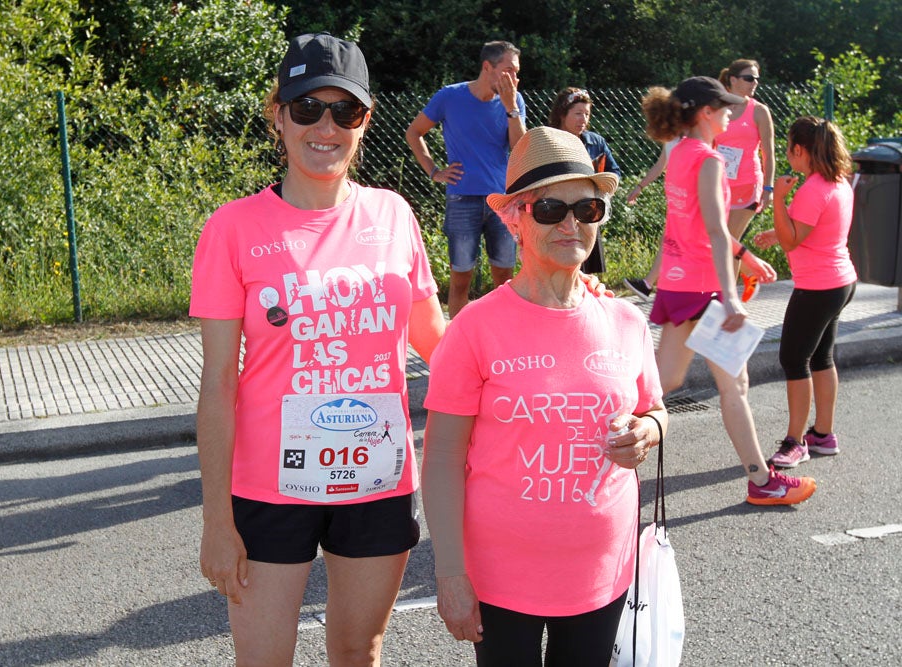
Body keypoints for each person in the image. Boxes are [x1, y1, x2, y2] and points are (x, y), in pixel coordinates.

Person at [189, 33, 448, 666]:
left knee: (359, 652)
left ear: (366, 119)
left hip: (376, 481)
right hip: (270, 489)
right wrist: (216, 522)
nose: (325, 126)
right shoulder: (233, 228)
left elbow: (441, 348)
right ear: (278, 114)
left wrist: (547, 303)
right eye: (307, 108)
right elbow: (218, 383)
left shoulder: (393, 215)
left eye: (345, 111)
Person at [421, 126, 668, 666]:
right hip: (500, 575)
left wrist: (646, 432)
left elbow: (656, 409)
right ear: (515, 217)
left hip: (602, 571)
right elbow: (440, 459)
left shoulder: (626, 320)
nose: (571, 223)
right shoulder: (475, 327)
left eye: (587, 208)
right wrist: (450, 573)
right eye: (551, 207)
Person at [641, 76, 816, 506]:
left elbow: (694, 225)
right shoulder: (710, 160)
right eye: (724, 108)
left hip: (680, 285)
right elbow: (717, 233)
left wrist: (747, 256)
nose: (731, 114)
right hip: (705, 290)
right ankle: (763, 480)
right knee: (734, 384)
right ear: (705, 112)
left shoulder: (680, 153)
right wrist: (731, 295)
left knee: (664, 380)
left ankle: (596, 437)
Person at [752, 117, 857, 467]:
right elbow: (807, 228)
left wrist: (778, 199)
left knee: (794, 359)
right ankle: (823, 435)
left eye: (788, 150)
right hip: (840, 281)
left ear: (800, 150)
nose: (787, 157)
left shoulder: (812, 188)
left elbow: (792, 237)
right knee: (821, 357)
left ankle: (795, 442)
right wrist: (776, 229)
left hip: (817, 287)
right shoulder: (837, 182)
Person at [405, 41, 526, 318]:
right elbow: (414, 133)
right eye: (509, 70)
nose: (515, 79)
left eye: (517, 72)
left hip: (502, 202)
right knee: (461, 279)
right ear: (488, 67)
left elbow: (520, 149)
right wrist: (434, 170)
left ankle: (502, 340)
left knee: (504, 279)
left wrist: (511, 109)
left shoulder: (515, 101)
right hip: (462, 199)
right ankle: (458, 344)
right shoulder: (450, 96)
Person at [716, 58, 776, 302]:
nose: (755, 83)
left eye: (757, 79)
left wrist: (769, 188)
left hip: (747, 186)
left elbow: (769, 154)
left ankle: (726, 302)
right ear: (732, 80)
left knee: (729, 240)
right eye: (749, 78)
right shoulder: (717, 107)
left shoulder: (759, 111)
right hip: (718, 185)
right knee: (717, 240)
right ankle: (749, 271)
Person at [546, 87, 622, 274]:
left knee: (587, 268)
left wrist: (602, 192)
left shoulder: (596, 142)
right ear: (562, 114)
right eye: (578, 113)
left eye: (587, 114)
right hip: (558, 214)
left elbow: (615, 171)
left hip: (587, 212)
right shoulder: (547, 140)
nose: (584, 119)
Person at [624, 135, 684, 300]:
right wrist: (639, 187)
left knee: (673, 240)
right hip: (676, 198)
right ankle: (657, 284)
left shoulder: (695, 137)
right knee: (670, 241)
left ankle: (650, 284)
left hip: (690, 199)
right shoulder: (671, 139)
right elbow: (660, 165)